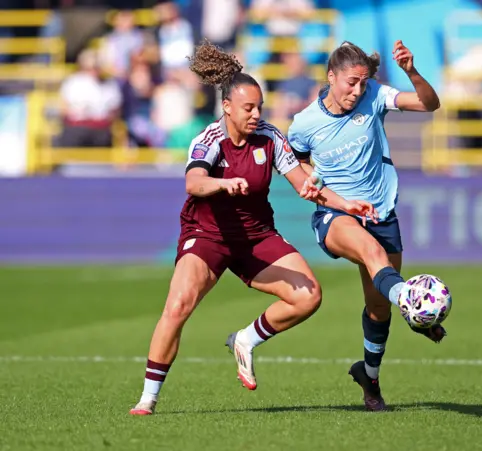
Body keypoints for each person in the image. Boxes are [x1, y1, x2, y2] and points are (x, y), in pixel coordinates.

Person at [129, 41, 377, 415]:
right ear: (227, 107)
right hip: (208, 237)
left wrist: (345, 204)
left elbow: (304, 184)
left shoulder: (270, 137)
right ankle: (148, 397)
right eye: (248, 107)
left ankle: (245, 339)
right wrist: (222, 184)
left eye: (259, 106)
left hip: (256, 237)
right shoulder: (210, 139)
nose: (255, 113)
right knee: (178, 305)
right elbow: (193, 184)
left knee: (308, 295)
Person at [287, 40, 445, 412]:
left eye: (362, 83)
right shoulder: (305, 124)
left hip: (380, 213)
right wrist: (315, 184)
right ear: (331, 77)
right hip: (336, 214)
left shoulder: (374, 95)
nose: (357, 91)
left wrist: (411, 71)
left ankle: (369, 377)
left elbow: (428, 104)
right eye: (350, 83)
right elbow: (293, 162)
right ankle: (413, 301)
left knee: (379, 309)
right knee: (375, 257)